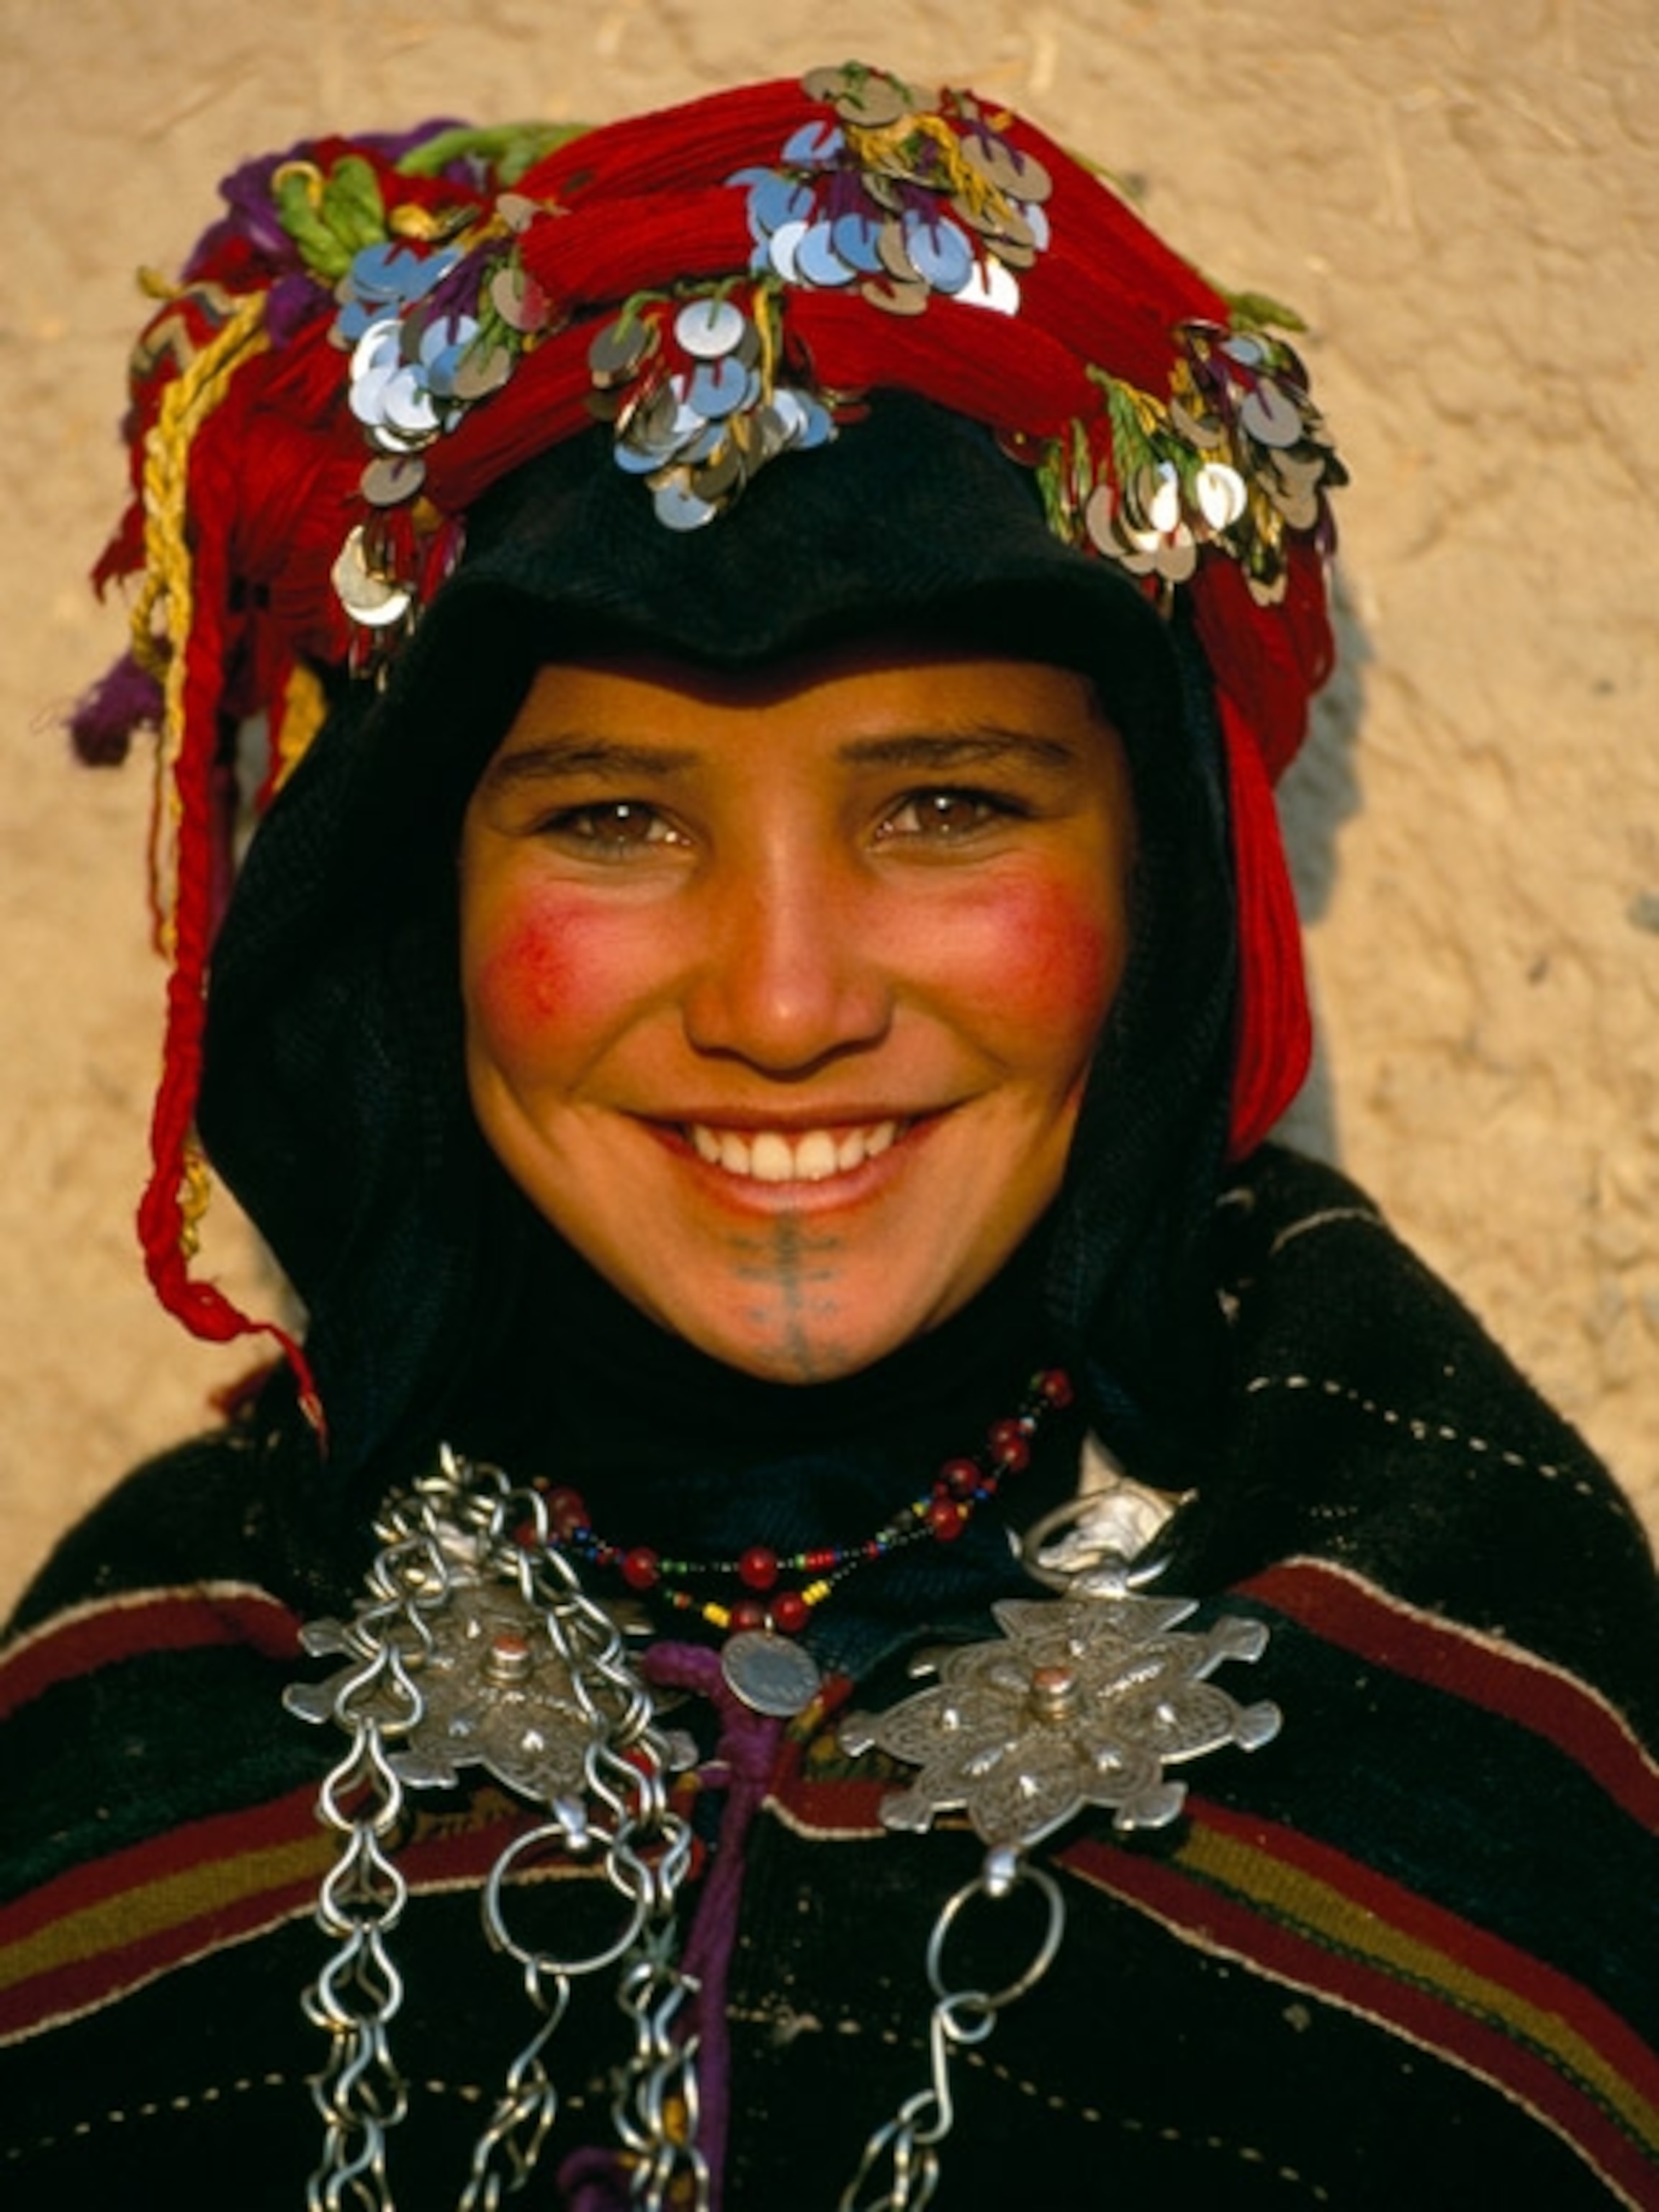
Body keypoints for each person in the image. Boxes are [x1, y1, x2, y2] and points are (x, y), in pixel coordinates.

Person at [1, 62, 1655, 2210]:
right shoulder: (140, 1711)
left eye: (949, 807)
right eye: (611, 821)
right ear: (414, 922)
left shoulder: (1467, 1681)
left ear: (1158, 890)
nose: (786, 1008)